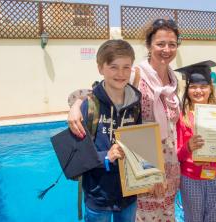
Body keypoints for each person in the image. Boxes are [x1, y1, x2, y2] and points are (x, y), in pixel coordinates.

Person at [68, 18, 181, 222]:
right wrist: (76, 105)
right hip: (113, 185)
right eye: (160, 43)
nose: (166, 49)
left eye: (172, 44)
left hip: (149, 173)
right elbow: (97, 91)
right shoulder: (136, 75)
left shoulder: (171, 82)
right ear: (149, 45)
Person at [78, 39, 142, 222]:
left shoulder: (135, 103)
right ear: (100, 68)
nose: (121, 74)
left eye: (126, 67)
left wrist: (149, 174)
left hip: (128, 195)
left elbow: (139, 144)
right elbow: (79, 156)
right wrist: (107, 156)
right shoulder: (89, 106)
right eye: (114, 67)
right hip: (99, 195)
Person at [175, 61, 216, 222]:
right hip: (191, 179)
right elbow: (175, 156)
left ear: (210, 88)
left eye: (203, 86)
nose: (198, 91)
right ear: (187, 89)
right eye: (193, 86)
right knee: (193, 219)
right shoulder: (181, 118)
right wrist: (188, 147)